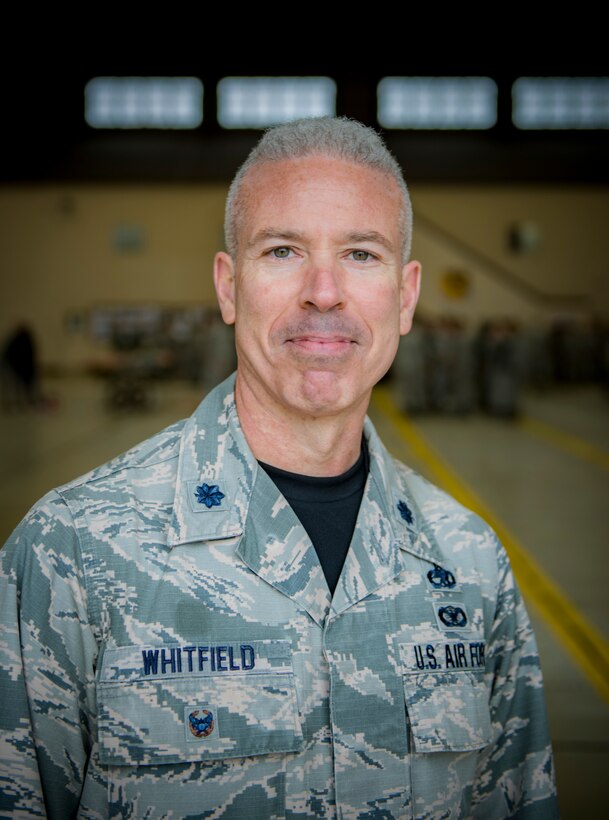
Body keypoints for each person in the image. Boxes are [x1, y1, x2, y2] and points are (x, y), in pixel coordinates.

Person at [0, 117, 558, 819]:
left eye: (360, 254)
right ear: (228, 287)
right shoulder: (69, 553)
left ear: (406, 296)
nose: (323, 292)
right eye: (283, 250)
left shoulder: (471, 566)